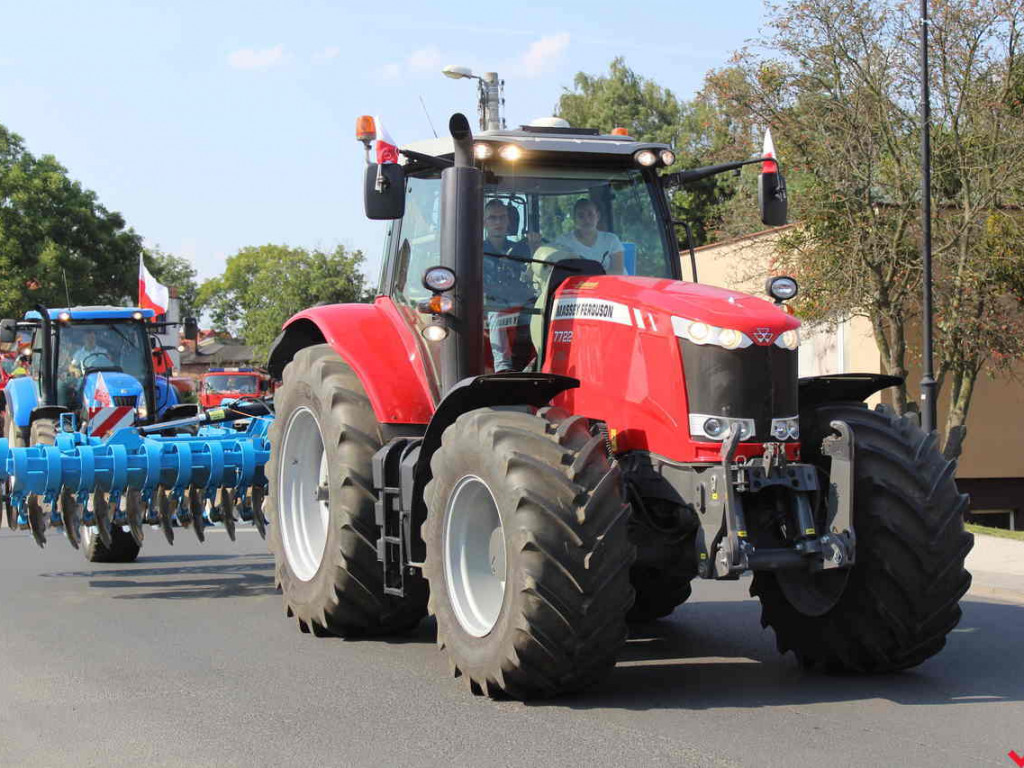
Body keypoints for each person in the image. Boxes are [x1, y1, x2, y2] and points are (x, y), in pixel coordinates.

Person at [554, 198, 625, 274]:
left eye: (590, 214)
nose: (586, 220)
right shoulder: (563, 242)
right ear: (574, 219)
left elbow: (618, 271)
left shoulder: (611, 240)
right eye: (581, 216)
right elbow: (560, 272)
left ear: (597, 216)